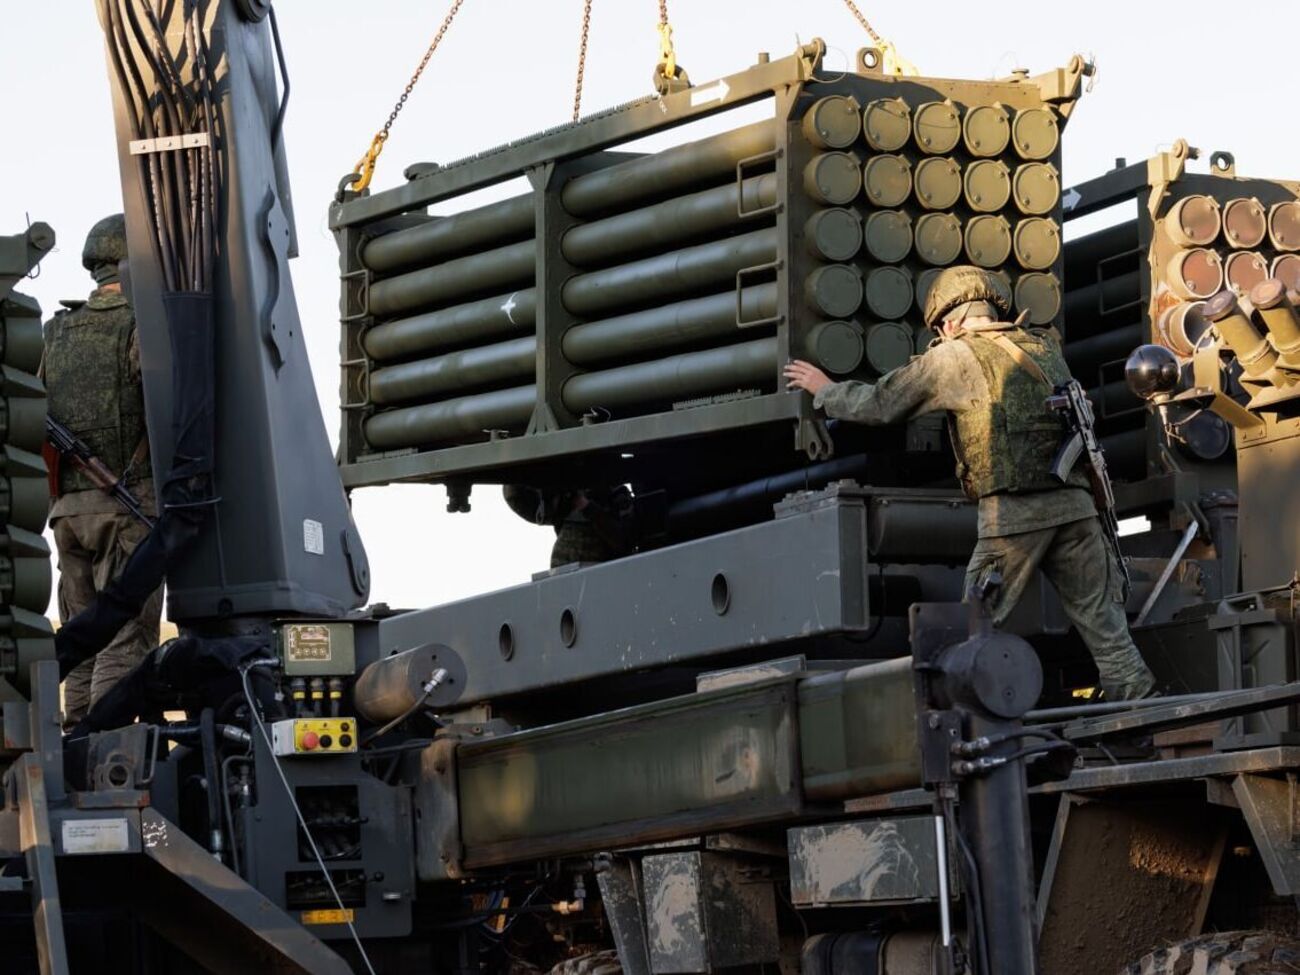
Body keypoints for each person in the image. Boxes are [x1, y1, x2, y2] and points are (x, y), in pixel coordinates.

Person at [784, 265, 1156, 701]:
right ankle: (1137, 706)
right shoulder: (1042, 347)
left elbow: (882, 403)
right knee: (1103, 623)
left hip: (1015, 515)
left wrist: (825, 389)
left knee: (970, 625)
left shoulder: (956, 355)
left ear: (949, 321)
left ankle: (960, 722)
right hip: (1077, 509)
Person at [43, 214, 162, 725]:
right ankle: (107, 740)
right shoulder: (140, 326)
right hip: (126, 507)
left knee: (81, 635)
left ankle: (75, 740)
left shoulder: (55, 332)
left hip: (67, 513)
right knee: (125, 635)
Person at [503, 484, 636, 568]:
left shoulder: (616, 493)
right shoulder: (563, 498)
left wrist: (586, 506)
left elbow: (623, 541)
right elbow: (513, 494)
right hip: (563, 573)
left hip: (601, 571)